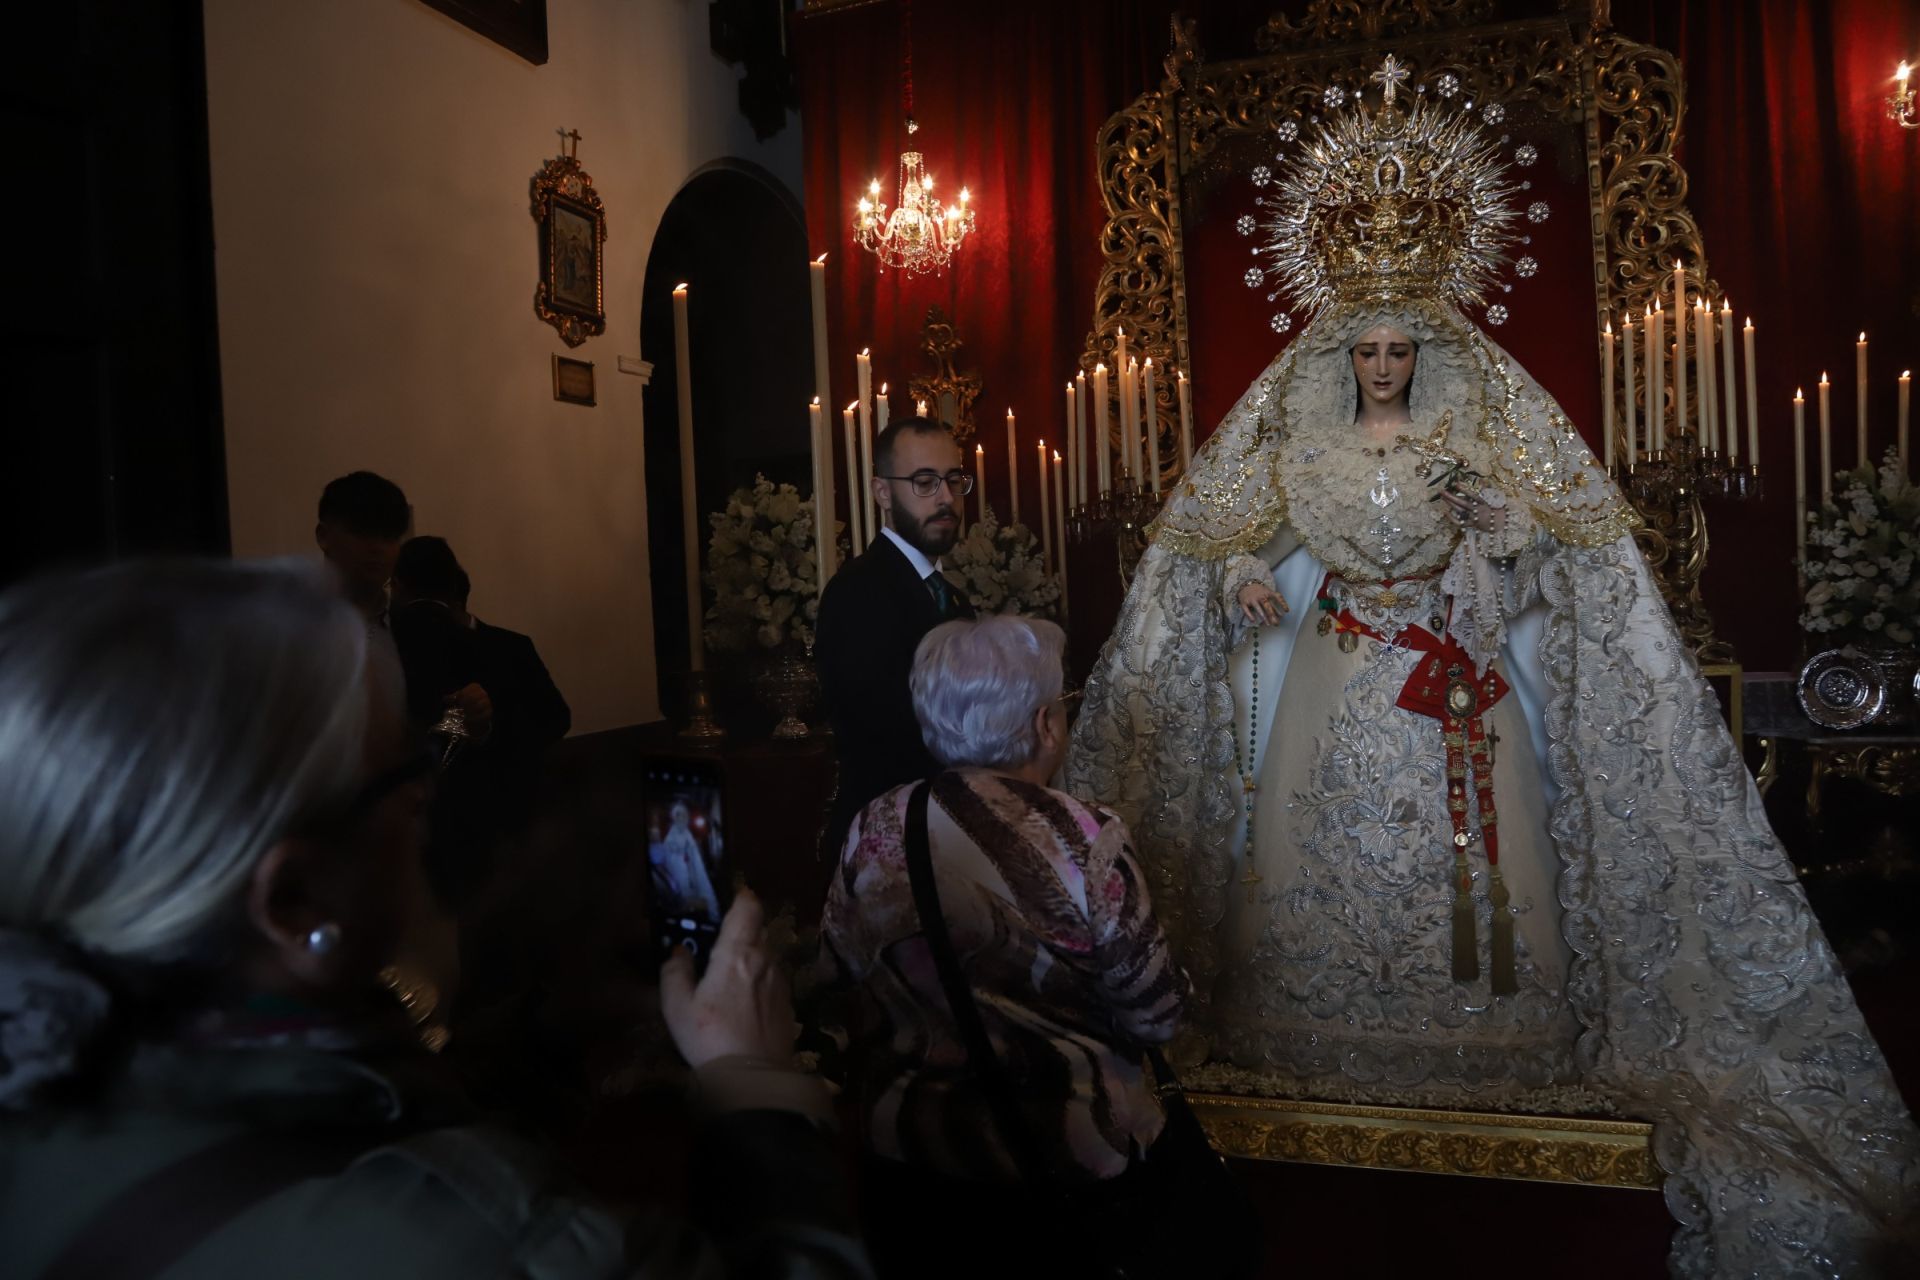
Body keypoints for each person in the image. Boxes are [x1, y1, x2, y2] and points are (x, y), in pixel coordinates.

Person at [1066, 73, 1919, 1276]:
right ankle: (1316, 1025)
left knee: (1470, 856)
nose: (1377, 363)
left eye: (1395, 348)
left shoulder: (1468, 439)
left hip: (1451, 678)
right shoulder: (1299, 444)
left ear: (1424, 353)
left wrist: (1497, 523)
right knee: (1316, 841)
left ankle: (1481, 1029)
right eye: (1361, 347)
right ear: (1338, 352)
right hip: (1334, 669)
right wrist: (1240, 578)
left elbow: (1539, 547)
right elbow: (1217, 539)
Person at [0, 558, 869, 1279]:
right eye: (401, 770)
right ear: (295, 901)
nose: (428, 791)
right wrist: (752, 1082)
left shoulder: (51, 1082)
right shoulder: (469, 1242)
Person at [820, 615, 1184, 1278]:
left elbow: (840, 971)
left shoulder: (875, 822)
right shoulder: (1086, 837)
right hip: (1067, 1159)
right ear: (1045, 723)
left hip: (907, 1157)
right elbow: (1155, 1015)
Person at [816, 420, 977, 857]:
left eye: (954, 480)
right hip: (888, 844)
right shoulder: (858, 591)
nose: (946, 498)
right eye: (924, 482)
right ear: (883, 493)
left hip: (944, 836)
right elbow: (879, 729)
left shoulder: (954, 598)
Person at [316, 470, 412, 625]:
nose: (378, 547)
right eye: (363, 532)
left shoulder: (415, 633)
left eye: (389, 536)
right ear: (323, 537)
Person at [652, 799, 720, 922]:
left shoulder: (690, 839)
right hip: (679, 892)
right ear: (674, 817)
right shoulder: (669, 841)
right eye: (678, 815)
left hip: (694, 886)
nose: (681, 818)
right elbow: (669, 866)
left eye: (684, 815)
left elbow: (698, 868)